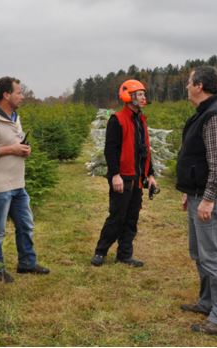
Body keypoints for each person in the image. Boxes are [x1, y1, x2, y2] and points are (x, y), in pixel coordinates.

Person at [176, 66, 217, 335]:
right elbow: (199, 159)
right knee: (199, 253)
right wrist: (189, 191)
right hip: (198, 195)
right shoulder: (204, 114)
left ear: (200, 85)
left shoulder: (215, 116)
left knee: (213, 256)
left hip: (210, 198)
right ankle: (207, 302)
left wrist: (208, 198)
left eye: (189, 82)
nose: (187, 86)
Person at [0, 76, 50, 283]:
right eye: (19, 92)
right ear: (6, 95)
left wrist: (24, 149)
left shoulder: (15, 117)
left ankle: (27, 263)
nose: (22, 96)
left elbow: (16, 143)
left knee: (26, 225)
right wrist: (12, 149)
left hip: (18, 184)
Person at [91, 80, 157, 268]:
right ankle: (100, 252)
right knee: (117, 217)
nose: (144, 97)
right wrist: (115, 175)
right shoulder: (117, 119)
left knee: (131, 218)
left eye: (144, 93)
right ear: (129, 96)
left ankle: (125, 255)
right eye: (140, 94)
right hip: (123, 177)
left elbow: (145, 149)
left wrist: (149, 174)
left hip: (137, 179)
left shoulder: (141, 120)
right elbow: (110, 150)